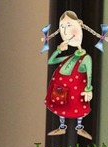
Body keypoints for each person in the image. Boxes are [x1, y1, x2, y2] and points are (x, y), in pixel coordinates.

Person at [44, 10, 103, 139]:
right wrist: (59, 50)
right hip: (60, 90)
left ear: (79, 24)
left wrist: (88, 89)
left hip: (75, 91)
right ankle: (62, 127)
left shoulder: (86, 58)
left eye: (69, 25)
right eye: (62, 27)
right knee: (61, 106)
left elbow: (89, 75)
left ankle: (80, 128)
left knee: (77, 107)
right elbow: (51, 61)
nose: (65, 31)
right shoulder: (70, 56)